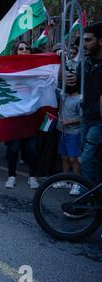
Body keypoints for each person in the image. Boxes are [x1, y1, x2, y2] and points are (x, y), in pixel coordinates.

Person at [67, 22, 102, 184]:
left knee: (87, 159)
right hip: (85, 118)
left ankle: (87, 197)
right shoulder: (85, 62)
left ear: (100, 41)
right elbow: (78, 88)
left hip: (99, 121)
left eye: (88, 40)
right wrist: (70, 82)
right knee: (88, 159)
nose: (84, 45)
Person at [4, 41, 39, 189]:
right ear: (16, 52)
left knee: (32, 148)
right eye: (20, 49)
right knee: (13, 148)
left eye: (26, 49)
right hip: (15, 116)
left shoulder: (38, 69)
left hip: (31, 115)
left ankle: (32, 176)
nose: (24, 51)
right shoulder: (10, 69)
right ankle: (11, 176)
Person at [54, 82, 82, 194]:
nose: (68, 84)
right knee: (64, 157)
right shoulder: (64, 95)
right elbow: (54, 88)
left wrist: (69, 121)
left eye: (71, 82)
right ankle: (65, 181)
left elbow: (82, 117)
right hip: (62, 131)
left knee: (73, 159)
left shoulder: (80, 99)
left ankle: (77, 184)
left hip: (73, 133)